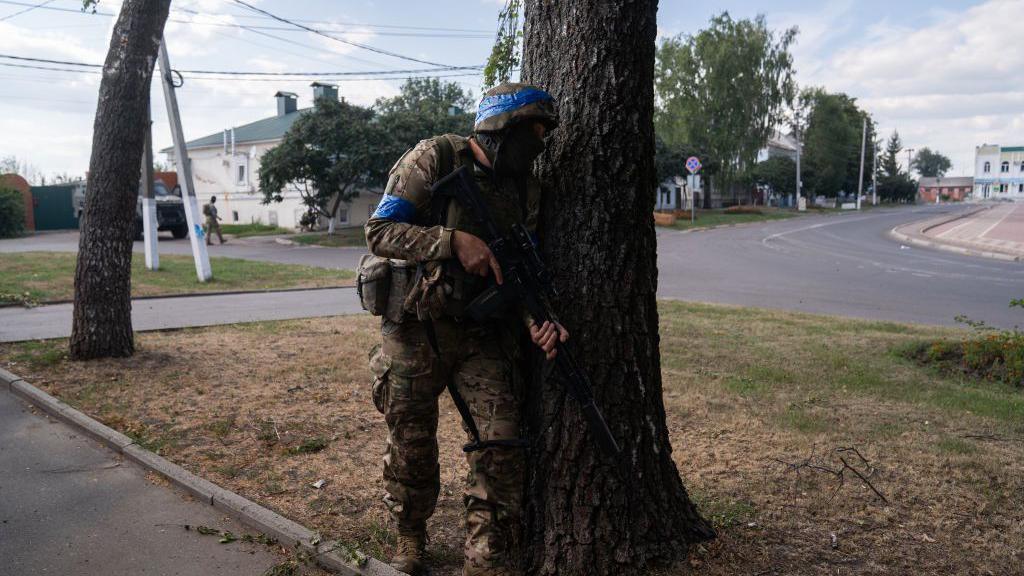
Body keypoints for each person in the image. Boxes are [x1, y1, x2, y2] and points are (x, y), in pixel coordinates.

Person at [364, 83, 568, 576]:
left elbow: (518, 274)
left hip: (482, 335)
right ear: (501, 130)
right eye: (532, 133)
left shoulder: (527, 190)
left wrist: (540, 322)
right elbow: (379, 232)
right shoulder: (433, 158)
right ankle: (411, 537)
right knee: (412, 442)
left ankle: (484, 558)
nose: (539, 144)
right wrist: (452, 242)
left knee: (501, 443)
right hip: (416, 328)